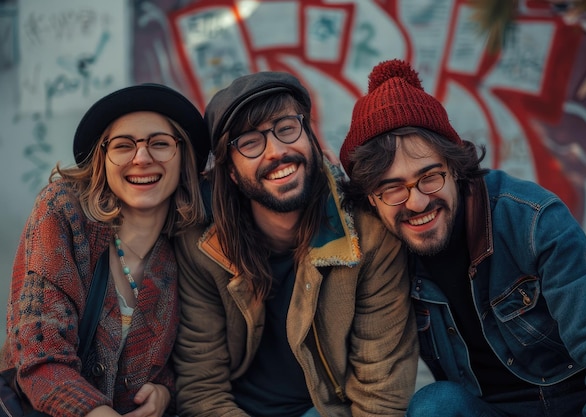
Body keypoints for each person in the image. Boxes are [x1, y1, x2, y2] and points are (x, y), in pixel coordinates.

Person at [339, 58, 586, 417]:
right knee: (435, 405)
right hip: (490, 410)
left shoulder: (530, 220)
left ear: (455, 168)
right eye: (392, 188)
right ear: (371, 199)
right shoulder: (383, 254)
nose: (417, 202)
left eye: (430, 177)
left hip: (577, 401)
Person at [173, 71, 418, 417]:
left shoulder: (369, 237)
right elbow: (202, 391)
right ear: (230, 171)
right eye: (250, 142)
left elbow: (380, 394)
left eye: (287, 128)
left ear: (310, 135)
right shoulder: (204, 247)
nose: (277, 151)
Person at [1, 83, 210, 416]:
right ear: (103, 157)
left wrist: (163, 392)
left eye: (159, 143)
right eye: (124, 145)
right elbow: (39, 356)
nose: (142, 158)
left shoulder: (192, 243)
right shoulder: (63, 213)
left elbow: (193, 361)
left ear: (182, 155)